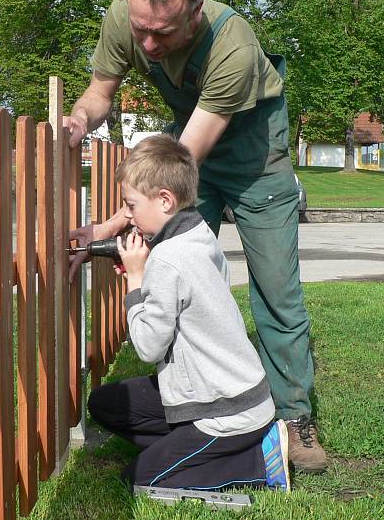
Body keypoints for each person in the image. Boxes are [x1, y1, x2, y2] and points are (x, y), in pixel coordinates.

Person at [65, 0, 327, 473]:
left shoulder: (234, 45)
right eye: (141, 30)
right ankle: (190, 402)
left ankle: (294, 418)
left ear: (194, 12)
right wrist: (77, 121)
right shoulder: (125, 15)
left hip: (252, 154)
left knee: (276, 290)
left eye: (162, 34)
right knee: (175, 273)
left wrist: (118, 220)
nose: (148, 44)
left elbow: (183, 163)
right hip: (189, 141)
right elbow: (99, 93)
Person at [87, 134, 290, 491]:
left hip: (227, 412)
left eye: (131, 206)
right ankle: (194, 450)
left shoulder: (168, 259)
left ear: (164, 200)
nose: (128, 217)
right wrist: (148, 271)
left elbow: (148, 347)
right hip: (227, 390)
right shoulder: (197, 231)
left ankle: (258, 462)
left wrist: (135, 281)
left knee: (138, 478)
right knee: (105, 404)